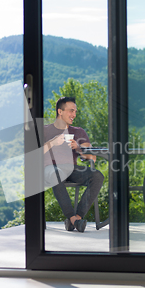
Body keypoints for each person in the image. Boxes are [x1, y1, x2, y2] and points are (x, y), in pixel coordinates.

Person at [44, 96, 104, 232]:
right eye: (71, 111)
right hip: (50, 169)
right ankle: (73, 220)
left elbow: (92, 157)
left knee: (97, 176)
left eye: (75, 111)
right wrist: (52, 143)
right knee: (56, 173)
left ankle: (76, 218)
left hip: (71, 169)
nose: (74, 115)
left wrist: (78, 147)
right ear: (60, 111)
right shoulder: (45, 131)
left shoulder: (78, 132)